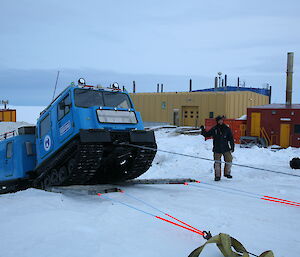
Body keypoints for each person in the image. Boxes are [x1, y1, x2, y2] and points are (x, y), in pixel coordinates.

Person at [200, 116, 234, 181]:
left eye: (221, 120)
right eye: (219, 120)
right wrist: (203, 129)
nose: (220, 121)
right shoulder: (214, 129)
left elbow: (231, 138)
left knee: (229, 160)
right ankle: (217, 176)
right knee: (217, 163)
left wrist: (232, 147)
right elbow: (207, 134)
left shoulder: (227, 128)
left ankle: (227, 173)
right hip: (217, 148)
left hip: (226, 148)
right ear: (217, 121)